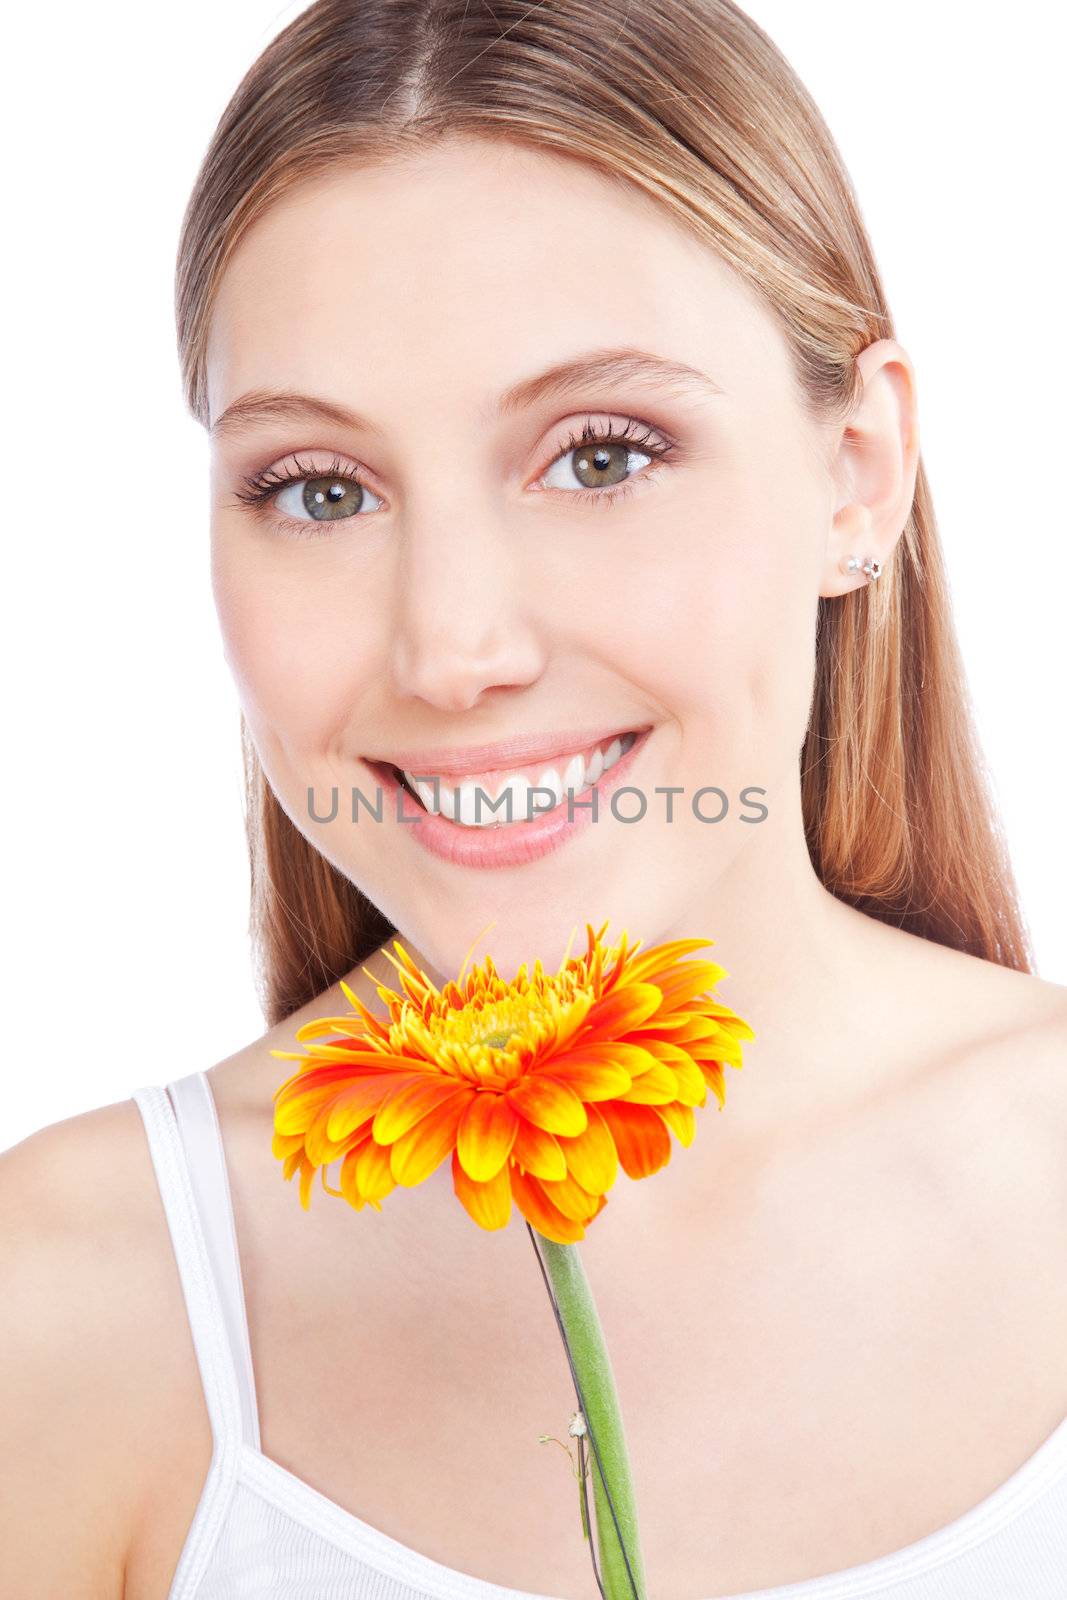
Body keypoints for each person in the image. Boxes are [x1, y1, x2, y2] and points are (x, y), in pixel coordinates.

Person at [3, 1, 1065, 1596]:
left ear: (858, 469)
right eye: (320, 489)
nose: (455, 648)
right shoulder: (70, 1305)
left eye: (600, 456)